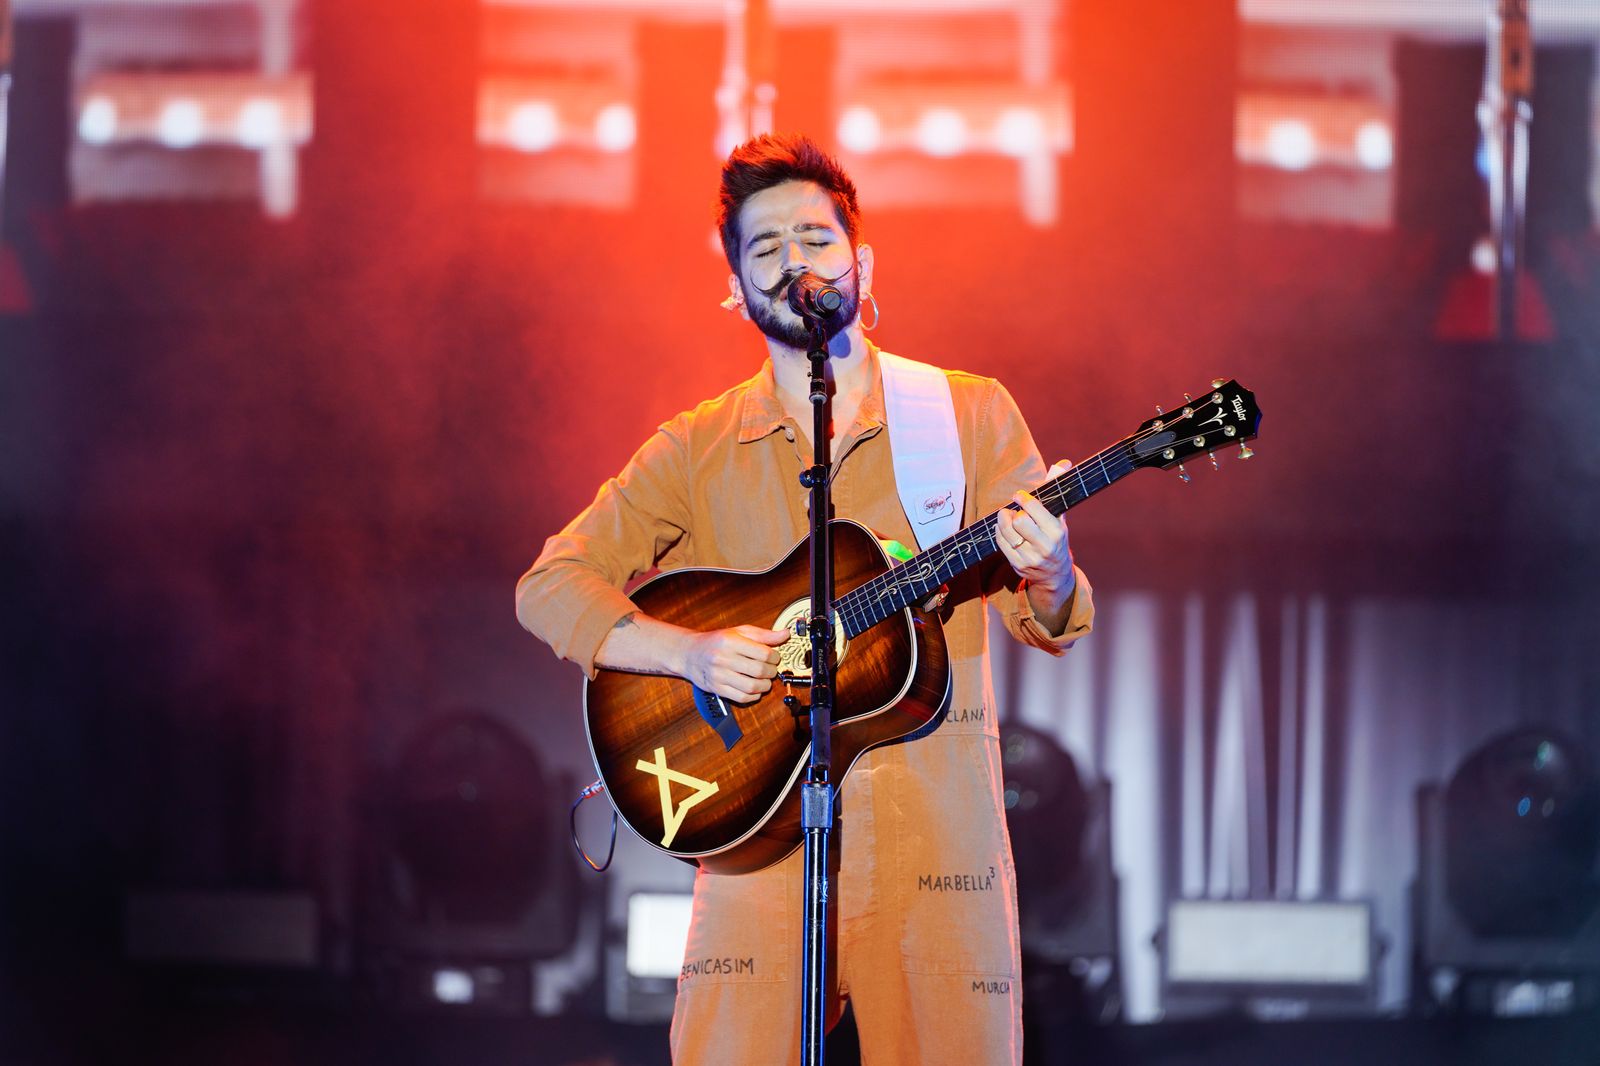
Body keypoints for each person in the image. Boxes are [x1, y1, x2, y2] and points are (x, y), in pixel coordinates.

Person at [516, 133, 1094, 1065]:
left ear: (862, 262)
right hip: (756, 838)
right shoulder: (696, 446)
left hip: (937, 847)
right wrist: (688, 654)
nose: (794, 262)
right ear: (735, 289)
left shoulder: (965, 415)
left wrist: (1052, 570)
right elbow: (548, 586)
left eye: (816, 240)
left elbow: (1045, 615)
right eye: (764, 249)